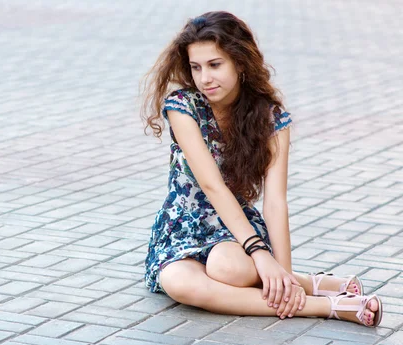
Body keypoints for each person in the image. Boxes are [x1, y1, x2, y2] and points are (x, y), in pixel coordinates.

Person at [141, 11, 382, 327]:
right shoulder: (183, 107)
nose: (205, 78)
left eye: (215, 65)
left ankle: (300, 284)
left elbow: (275, 201)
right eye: (196, 67)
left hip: (235, 228)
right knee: (180, 285)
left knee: (228, 270)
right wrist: (263, 256)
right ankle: (325, 304)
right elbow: (213, 186)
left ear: (239, 63)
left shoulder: (271, 118)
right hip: (181, 229)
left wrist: (281, 272)